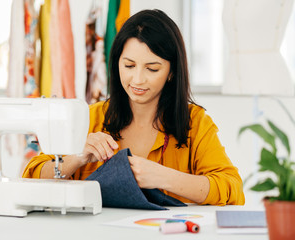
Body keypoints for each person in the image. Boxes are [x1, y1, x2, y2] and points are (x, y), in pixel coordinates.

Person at [23, 9, 245, 206]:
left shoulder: (195, 123)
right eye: (129, 65)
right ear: (117, 62)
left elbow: (232, 187)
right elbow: (30, 179)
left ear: (172, 72)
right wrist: (77, 157)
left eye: (152, 69)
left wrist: (163, 177)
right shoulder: (91, 118)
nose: (137, 79)